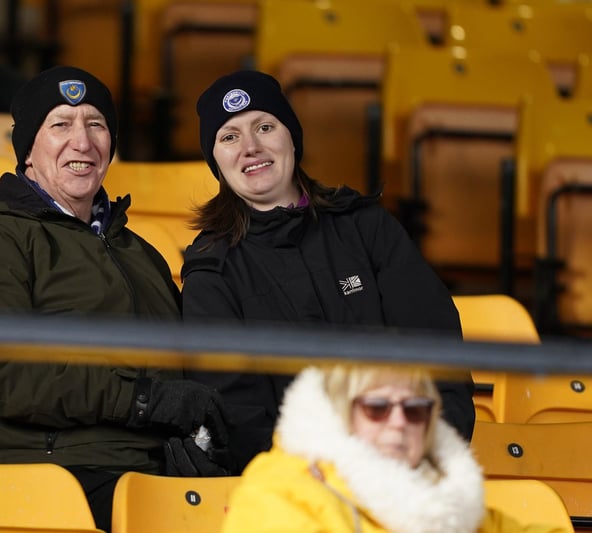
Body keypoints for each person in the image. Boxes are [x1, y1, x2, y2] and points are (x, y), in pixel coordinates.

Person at [0, 65, 230, 532]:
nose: (83, 142)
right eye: (61, 124)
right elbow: (3, 374)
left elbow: (184, 375)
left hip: (149, 476)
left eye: (96, 124)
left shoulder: (141, 253)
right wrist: (144, 402)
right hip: (40, 477)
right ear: (28, 148)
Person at [181, 69, 475, 474]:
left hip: (408, 469)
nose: (250, 146)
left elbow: (439, 354)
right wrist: (319, 480)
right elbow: (236, 415)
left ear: (291, 138)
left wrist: (426, 454)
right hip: (297, 491)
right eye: (229, 136)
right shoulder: (212, 270)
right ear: (215, 159)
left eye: (265, 126)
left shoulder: (367, 227)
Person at [221, 364, 570, 533]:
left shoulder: (446, 501)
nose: (399, 422)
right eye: (377, 408)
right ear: (342, 416)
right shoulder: (279, 494)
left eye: (415, 409)